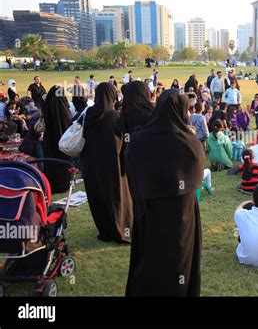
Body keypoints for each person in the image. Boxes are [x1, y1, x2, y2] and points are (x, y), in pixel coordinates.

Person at [125, 89, 205, 296]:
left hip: (150, 211)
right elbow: (196, 176)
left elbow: (132, 168)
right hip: (182, 215)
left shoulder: (139, 139)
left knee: (152, 256)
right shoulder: (190, 142)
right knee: (179, 260)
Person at [80, 82, 133, 244]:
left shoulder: (88, 114)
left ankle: (106, 230)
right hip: (113, 165)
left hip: (91, 165)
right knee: (117, 197)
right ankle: (121, 231)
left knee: (99, 197)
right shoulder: (114, 116)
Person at [42, 86, 72, 193]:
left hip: (50, 142)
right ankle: (62, 184)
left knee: (51, 163)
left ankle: (52, 185)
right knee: (62, 164)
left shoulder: (46, 109)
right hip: (63, 143)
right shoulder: (64, 110)